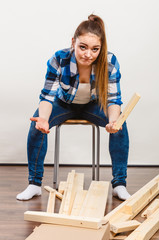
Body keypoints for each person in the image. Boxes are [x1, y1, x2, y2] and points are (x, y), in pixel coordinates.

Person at [16, 14, 130, 201]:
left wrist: (113, 122)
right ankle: (34, 184)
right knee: (37, 124)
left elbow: (113, 99)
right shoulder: (59, 59)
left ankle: (119, 184)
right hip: (64, 104)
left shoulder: (110, 62)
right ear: (73, 42)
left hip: (93, 106)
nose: (88, 54)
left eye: (95, 49)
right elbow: (47, 96)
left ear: (101, 48)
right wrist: (44, 118)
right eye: (82, 47)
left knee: (120, 125)